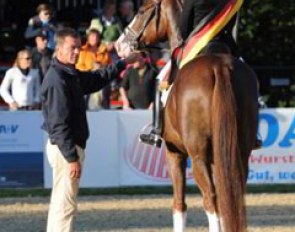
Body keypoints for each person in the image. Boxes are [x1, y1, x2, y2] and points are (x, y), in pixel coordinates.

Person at [41, 27, 141, 232]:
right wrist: (71, 157)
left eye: (79, 47)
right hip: (65, 148)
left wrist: (122, 63)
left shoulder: (68, 74)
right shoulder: (57, 79)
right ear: (59, 48)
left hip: (66, 147)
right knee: (65, 205)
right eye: (72, 48)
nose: (77, 52)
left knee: (62, 201)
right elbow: (59, 124)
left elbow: (96, 79)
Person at [139, 0, 254, 147]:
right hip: (226, 49)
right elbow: (231, 28)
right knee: (249, 82)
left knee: (161, 80)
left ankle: (156, 130)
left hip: (197, 50)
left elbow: (183, 29)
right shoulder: (230, 1)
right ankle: (254, 133)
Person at [87, 1, 123, 108]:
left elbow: (122, 37)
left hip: (113, 51)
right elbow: (93, 37)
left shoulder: (117, 22)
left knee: (116, 63)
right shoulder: (97, 21)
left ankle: (114, 88)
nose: (113, 11)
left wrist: (115, 44)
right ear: (106, 9)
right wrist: (104, 45)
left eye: (114, 9)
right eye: (110, 8)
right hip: (99, 51)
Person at [76, 29, 111, 110]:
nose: (94, 38)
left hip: (101, 79)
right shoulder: (83, 51)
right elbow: (79, 66)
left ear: (99, 39)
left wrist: (101, 67)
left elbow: (109, 65)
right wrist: (91, 68)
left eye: (96, 37)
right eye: (92, 36)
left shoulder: (104, 51)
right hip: (87, 78)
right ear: (88, 38)